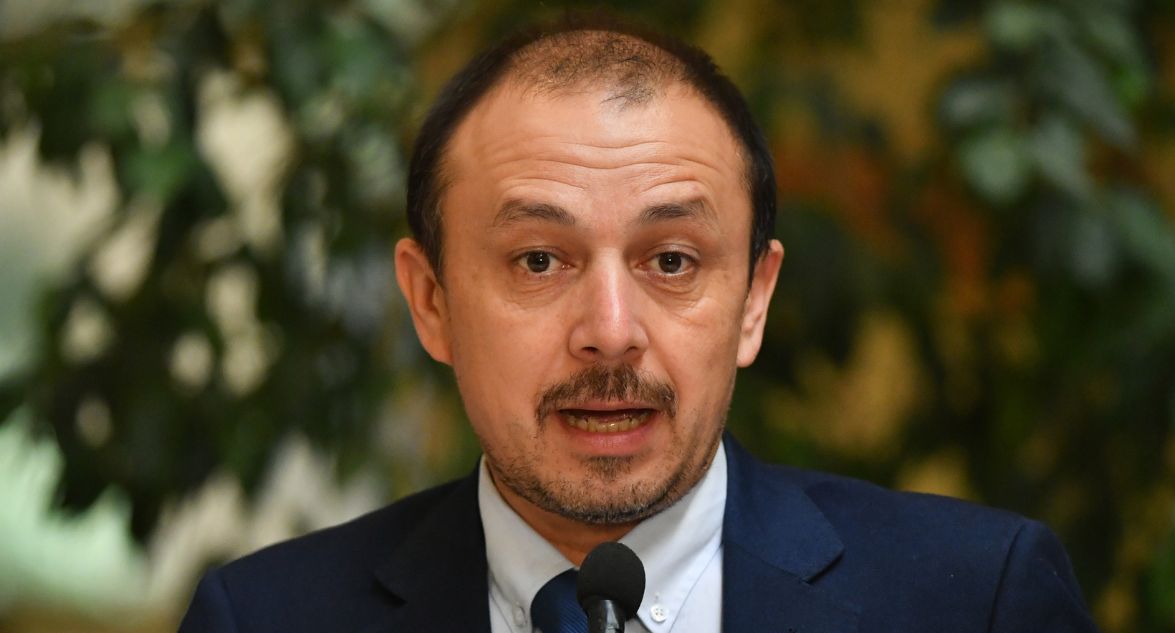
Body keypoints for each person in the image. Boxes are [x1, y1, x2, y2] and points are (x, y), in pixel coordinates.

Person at [179, 14, 1098, 633]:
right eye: (539, 261)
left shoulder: (978, 600)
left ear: (754, 301)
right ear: (431, 302)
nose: (612, 332)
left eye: (673, 261)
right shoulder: (262, 617)